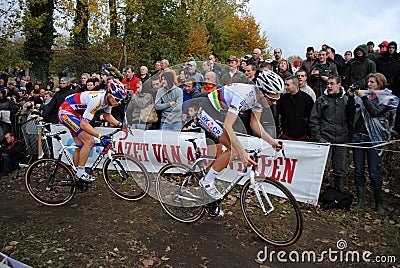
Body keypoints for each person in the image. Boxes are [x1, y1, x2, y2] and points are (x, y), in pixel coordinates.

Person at [195, 70, 284, 200]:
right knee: (235, 150)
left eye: (277, 99)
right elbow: (227, 127)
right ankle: (206, 182)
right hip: (206, 112)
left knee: (222, 157)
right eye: (272, 99)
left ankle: (208, 196)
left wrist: (272, 142)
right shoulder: (244, 96)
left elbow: (255, 124)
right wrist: (242, 153)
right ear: (261, 92)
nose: (274, 103)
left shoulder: (258, 99)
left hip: (219, 114)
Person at [347, 73, 399, 214]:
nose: (368, 84)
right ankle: (361, 200)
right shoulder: (363, 94)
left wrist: (363, 97)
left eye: (372, 82)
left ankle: (379, 203)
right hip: (358, 136)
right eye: (368, 82)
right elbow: (351, 112)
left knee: (374, 171)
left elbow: (375, 112)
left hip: (373, 139)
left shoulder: (388, 98)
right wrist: (351, 97)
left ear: (380, 83)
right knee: (358, 170)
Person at [58, 79, 127, 182]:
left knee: (81, 145)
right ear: (110, 95)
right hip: (66, 112)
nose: (118, 102)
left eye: (120, 100)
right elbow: (84, 124)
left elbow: (107, 115)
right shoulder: (97, 100)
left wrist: (120, 125)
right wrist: (100, 136)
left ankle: (74, 174)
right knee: (89, 141)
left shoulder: (107, 100)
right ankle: (80, 172)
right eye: (117, 99)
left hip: (75, 113)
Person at [309, 75, 352, 192]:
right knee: (322, 168)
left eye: (332, 83)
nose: (329, 86)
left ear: (339, 85)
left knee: (340, 169)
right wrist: (319, 138)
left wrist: (347, 136)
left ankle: (339, 193)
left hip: (342, 139)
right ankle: (317, 193)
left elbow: (351, 118)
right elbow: (314, 120)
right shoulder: (321, 100)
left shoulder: (346, 99)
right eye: (327, 83)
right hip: (325, 139)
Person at [277, 76, 314, 141]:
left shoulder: (306, 99)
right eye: (285, 85)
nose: (285, 87)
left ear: (296, 85)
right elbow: (279, 115)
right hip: (286, 135)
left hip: (303, 136)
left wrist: (308, 133)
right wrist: (281, 130)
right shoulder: (283, 99)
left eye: (288, 85)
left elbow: (311, 117)